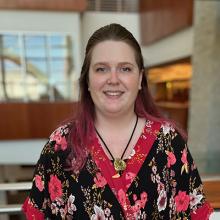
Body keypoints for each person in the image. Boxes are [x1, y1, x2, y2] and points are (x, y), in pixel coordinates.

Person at [23, 23, 213, 219]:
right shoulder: (61, 144)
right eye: (101, 69)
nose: (113, 79)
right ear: (87, 80)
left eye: (125, 68)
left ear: (140, 79)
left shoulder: (169, 143)